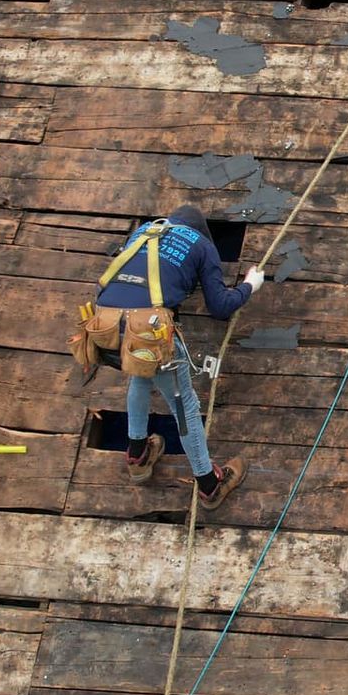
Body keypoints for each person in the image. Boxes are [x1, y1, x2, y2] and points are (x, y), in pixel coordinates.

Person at [93, 205, 265, 508]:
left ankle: (138, 454)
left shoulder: (145, 231)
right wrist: (250, 285)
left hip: (104, 324)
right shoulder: (202, 245)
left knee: (141, 374)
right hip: (147, 327)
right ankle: (210, 484)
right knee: (184, 401)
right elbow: (221, 307)